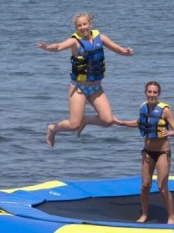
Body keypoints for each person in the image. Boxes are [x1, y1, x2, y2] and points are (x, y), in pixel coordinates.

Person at [37, 12, 133, 147]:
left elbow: (117, 48)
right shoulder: (74, 42)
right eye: (79, 25)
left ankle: (87, 120)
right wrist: (47, 47)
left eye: (84, 24)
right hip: (79, 88)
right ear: (76, 28)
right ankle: (53, 128)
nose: (82, 27)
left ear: (90, 24)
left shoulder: (101, 38)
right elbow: (58, 46)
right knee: (74, 125)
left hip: (96, 88)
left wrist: (125, 52)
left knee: (108, 120)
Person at [114, 81, 174, 224]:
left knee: (162, 187)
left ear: (158, 94)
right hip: (148, 152)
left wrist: (169, 132)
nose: (152, 95)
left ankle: (171, 216)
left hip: (163, 152)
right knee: (145, 185)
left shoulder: (165, 110)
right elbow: (139, 123)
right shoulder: (143, 107)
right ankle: (144, 214)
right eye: (149, 92)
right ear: (145, 92)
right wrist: (122, 123)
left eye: (154, 92)